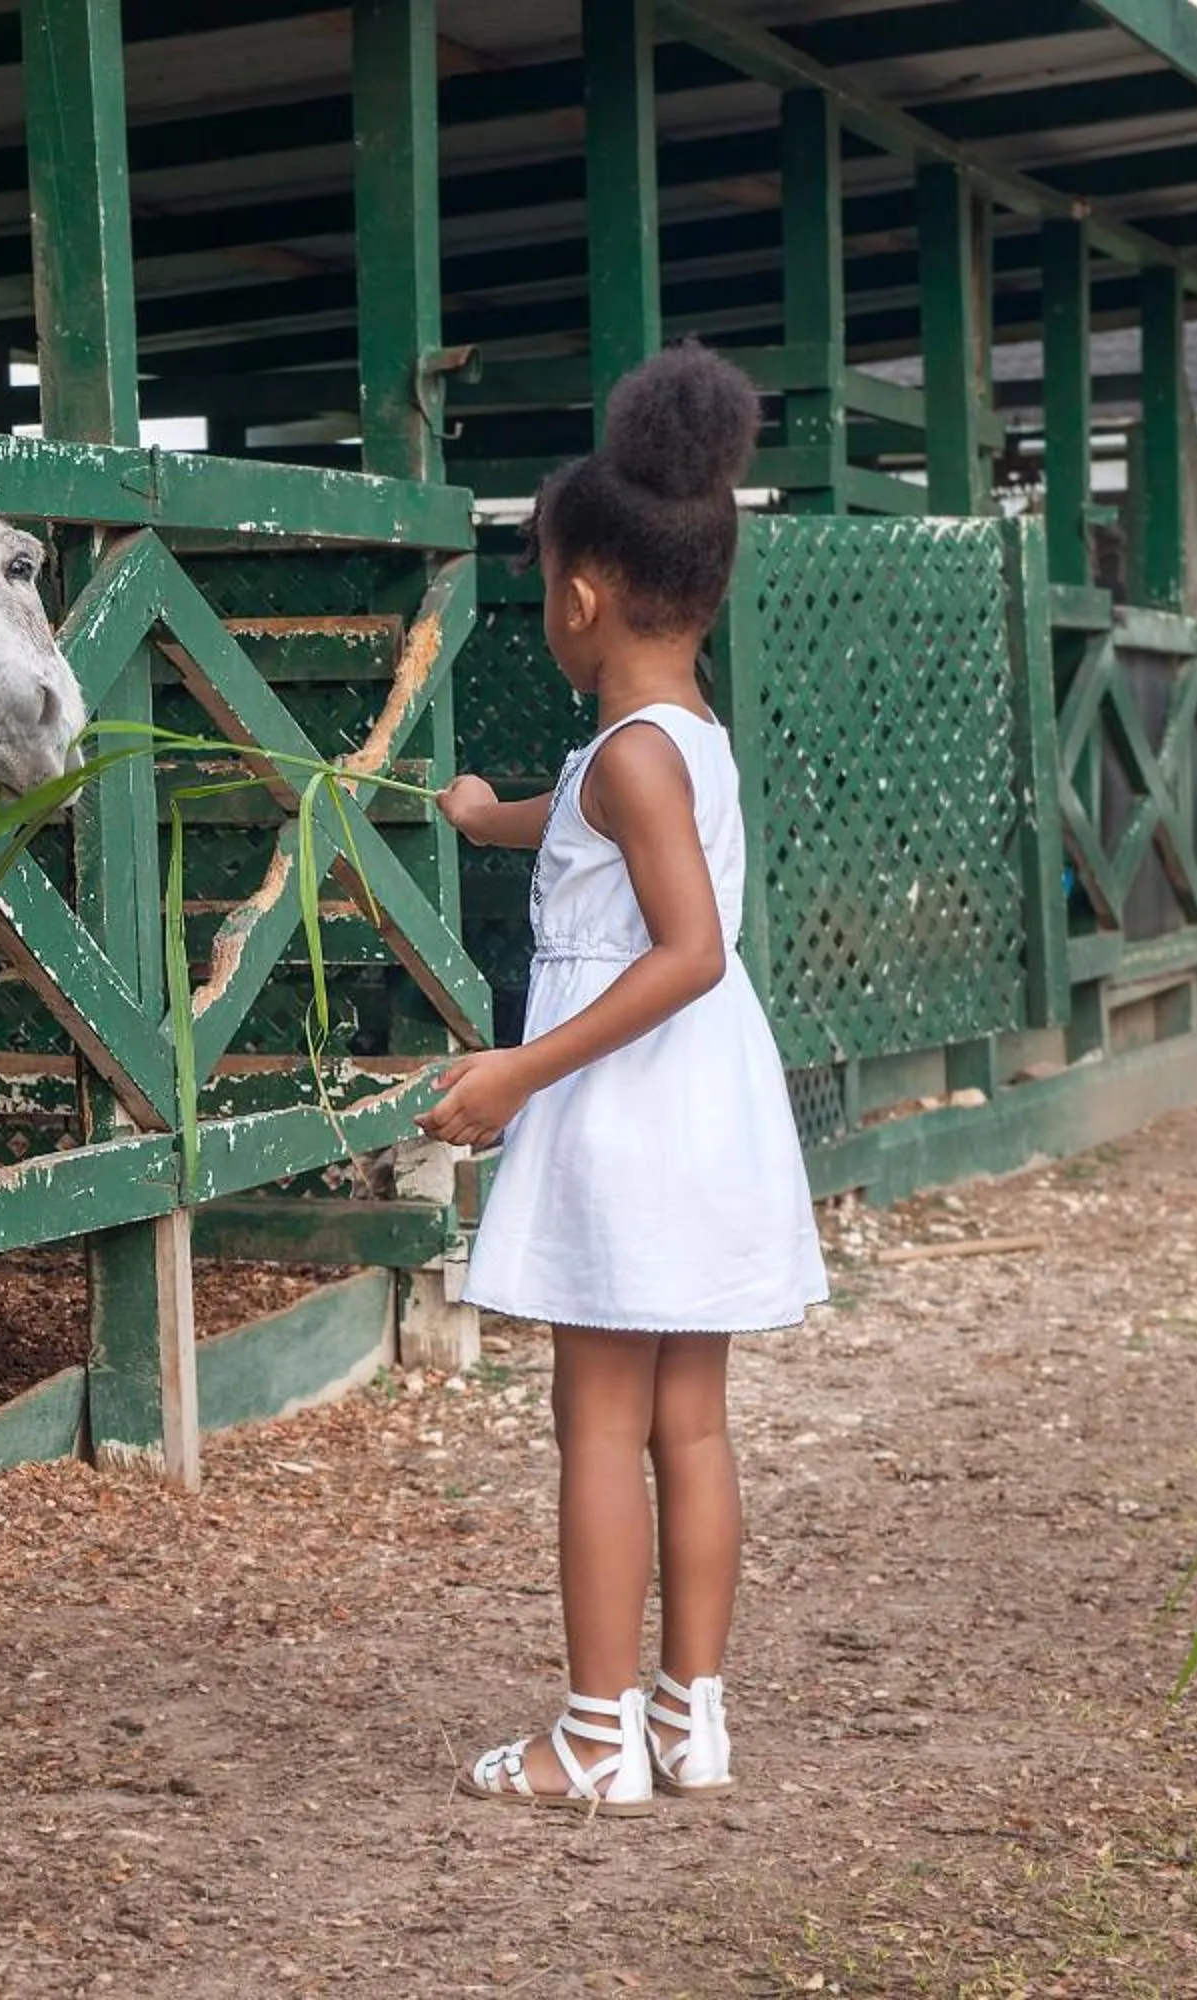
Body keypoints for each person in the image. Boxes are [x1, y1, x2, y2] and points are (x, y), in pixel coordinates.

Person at [418, 341, 829, 1815]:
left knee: (597, 1424)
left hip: (635, 1101)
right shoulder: (672, 740)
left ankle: (592, 1736)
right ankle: (686, 1717)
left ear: (580, 596)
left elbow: (689, 949)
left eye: (541, 586)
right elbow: (587, 822)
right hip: (704, 1105)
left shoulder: (632, 759)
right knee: (690, 1423)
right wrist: (486, 818)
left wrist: (521, 1072)